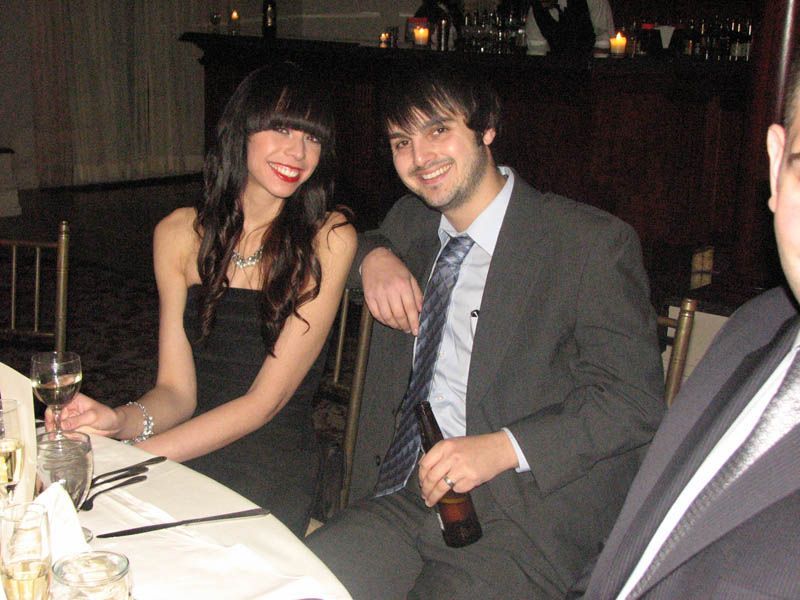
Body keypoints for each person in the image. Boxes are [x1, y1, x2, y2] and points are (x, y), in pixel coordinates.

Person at [306, 64, 664, 598]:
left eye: (438, 130)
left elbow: (633, 402)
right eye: (402, 141)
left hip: (526, 515)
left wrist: (501, 447)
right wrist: (372, 258)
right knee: (297, 581)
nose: (420, 158)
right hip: (411, 496)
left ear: (487, 128)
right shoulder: (411, 222)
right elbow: (362, 235)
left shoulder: (588, 244)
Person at [52, 64, 357, 536]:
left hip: (267, 462)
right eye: (280, 128)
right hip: (182, 449)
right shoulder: (177, 233)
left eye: (312, 138)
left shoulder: (328, 238)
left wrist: (133, 461)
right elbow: (177, 391)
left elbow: (263, 404)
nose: (297, 152)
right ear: (241, 132)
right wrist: (119, 421)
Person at [571, 56, 800, 599]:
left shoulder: (590, 245)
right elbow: (639, 539)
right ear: (775, 166)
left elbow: (623, 408)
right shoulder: (757, 325)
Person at [525, 0, 615, 55]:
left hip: (591, 73)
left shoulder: (594, 2)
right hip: (555, 76)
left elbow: (604, 42)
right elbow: (537, 54)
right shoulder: (535, 10)